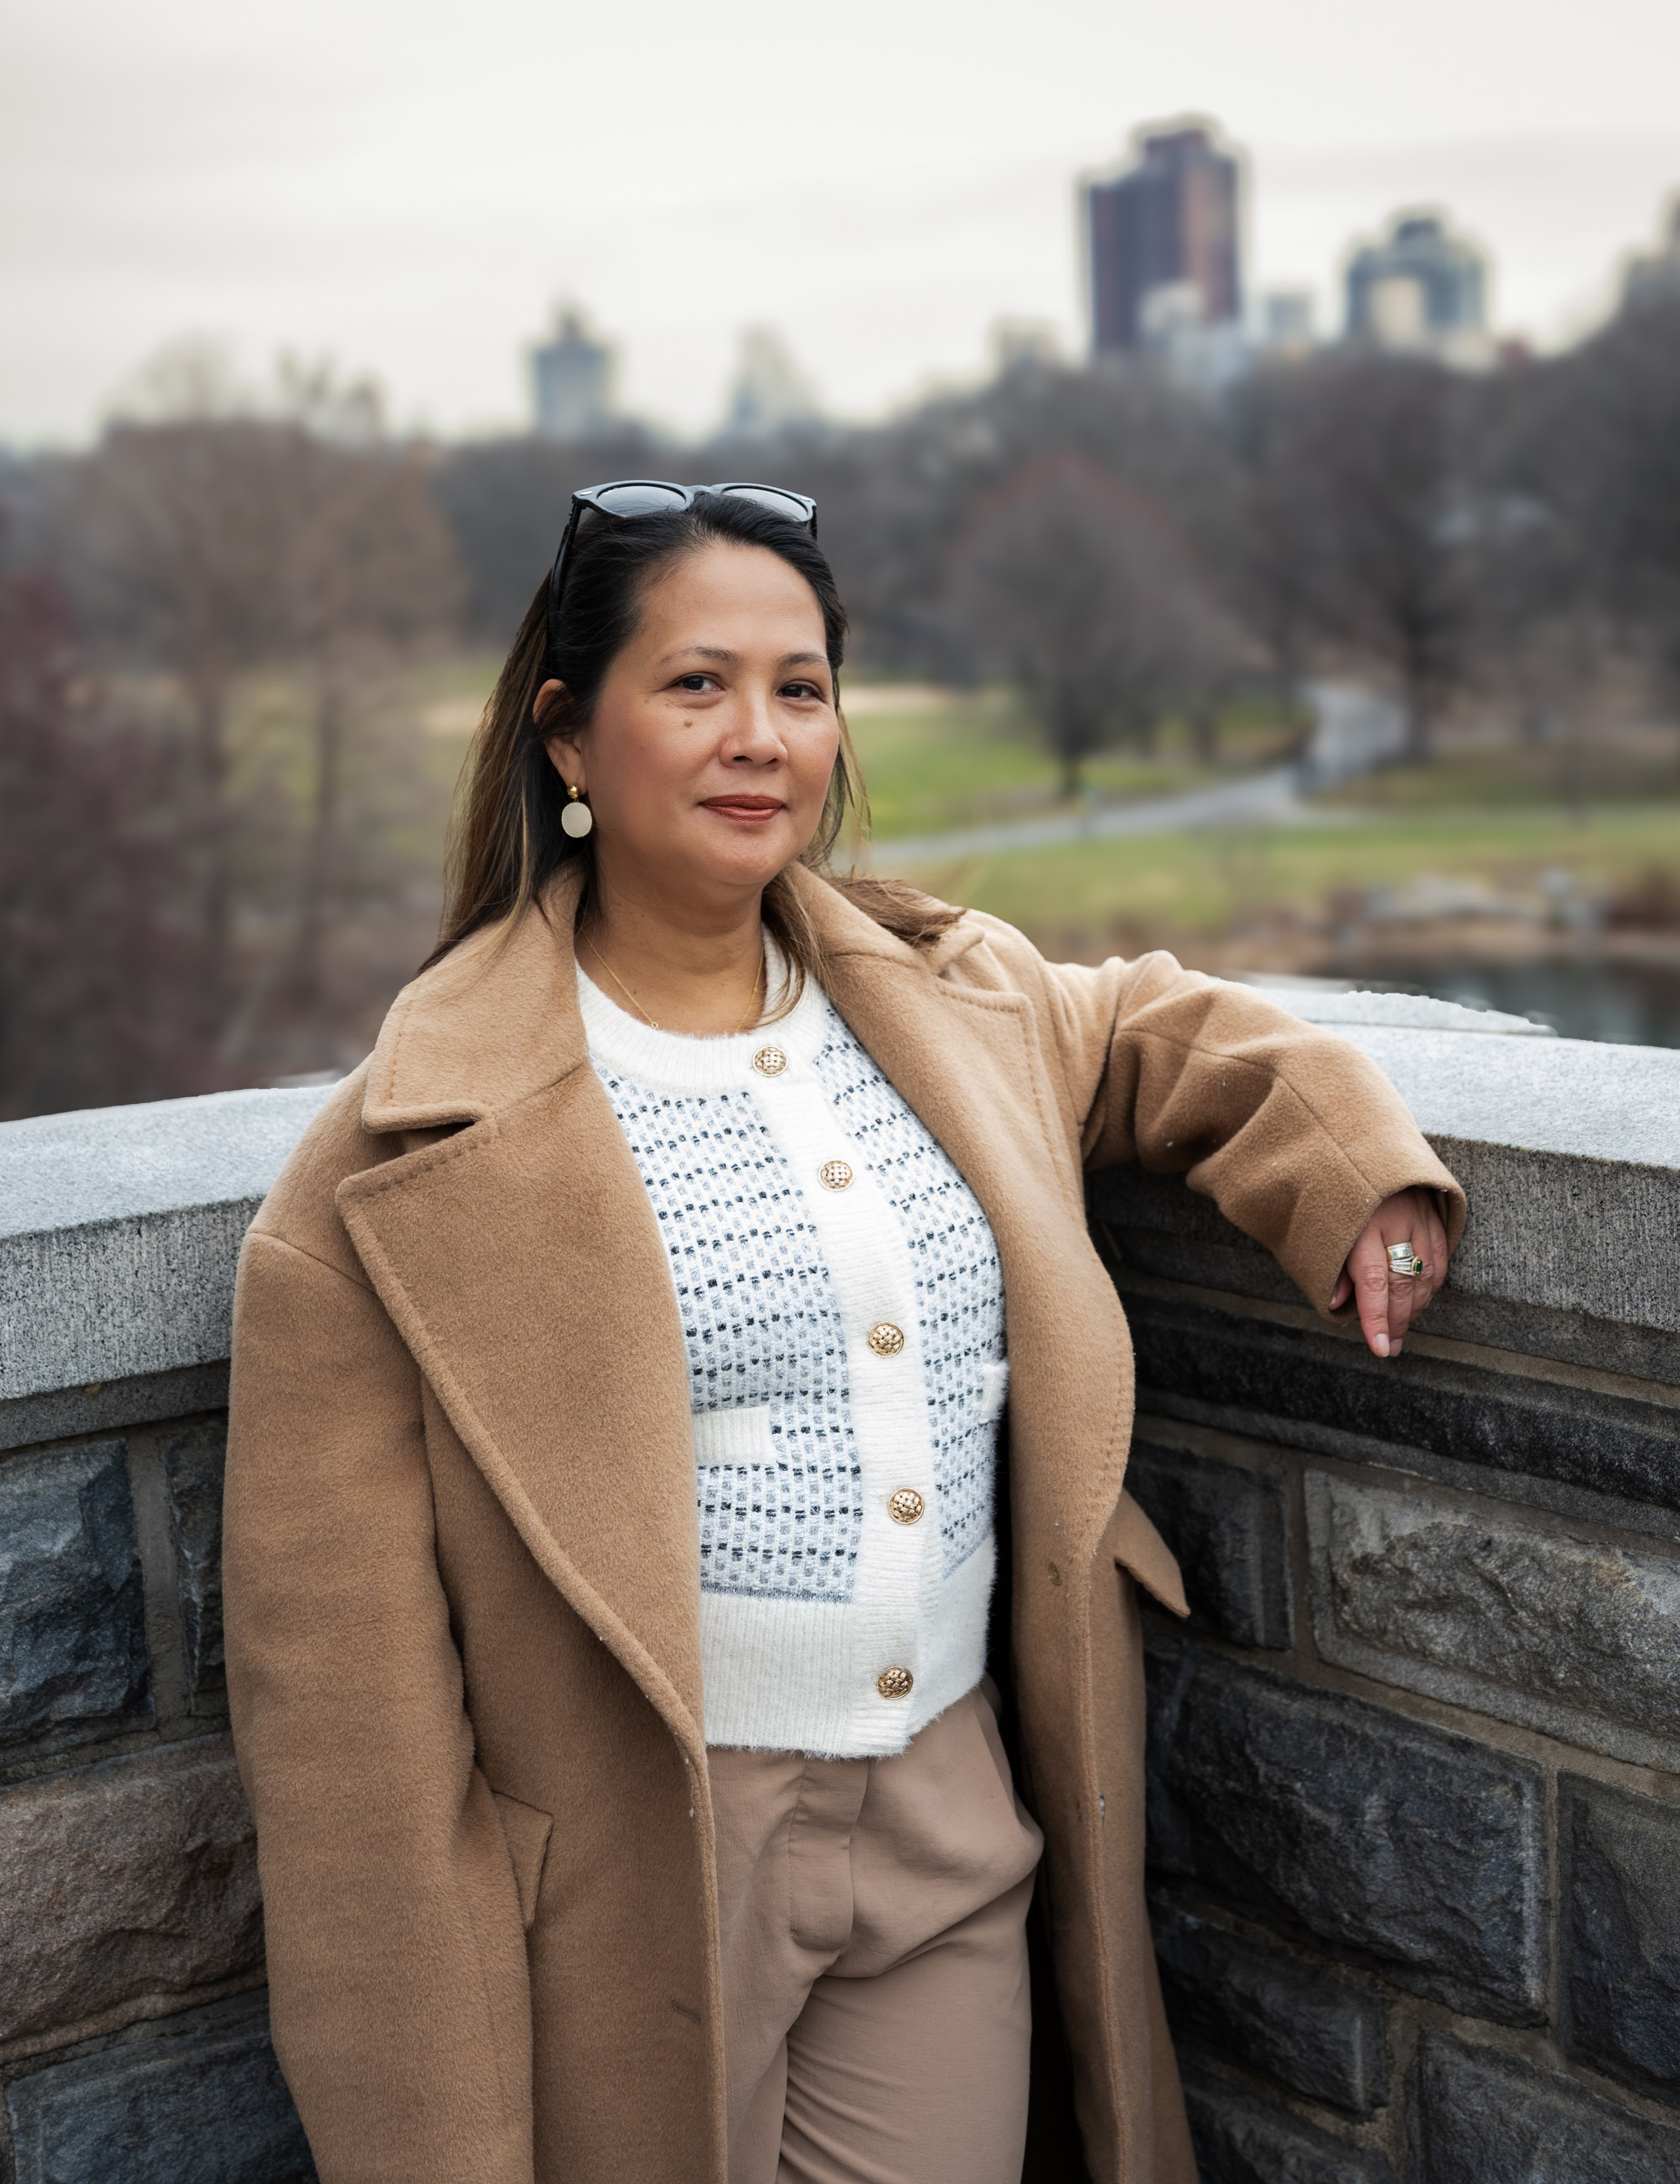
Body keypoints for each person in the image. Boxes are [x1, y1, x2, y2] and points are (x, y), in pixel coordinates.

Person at [224, 482, 1460, 2184]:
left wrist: (1351, 1161)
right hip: (646, 1889)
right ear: (568, 738)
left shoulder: (949, 997)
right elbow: (351, 1774)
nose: (762, 737)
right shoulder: (379, 1178)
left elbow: (1145, 1033)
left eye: (801, 688)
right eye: (698, 684)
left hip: (949, 1810)